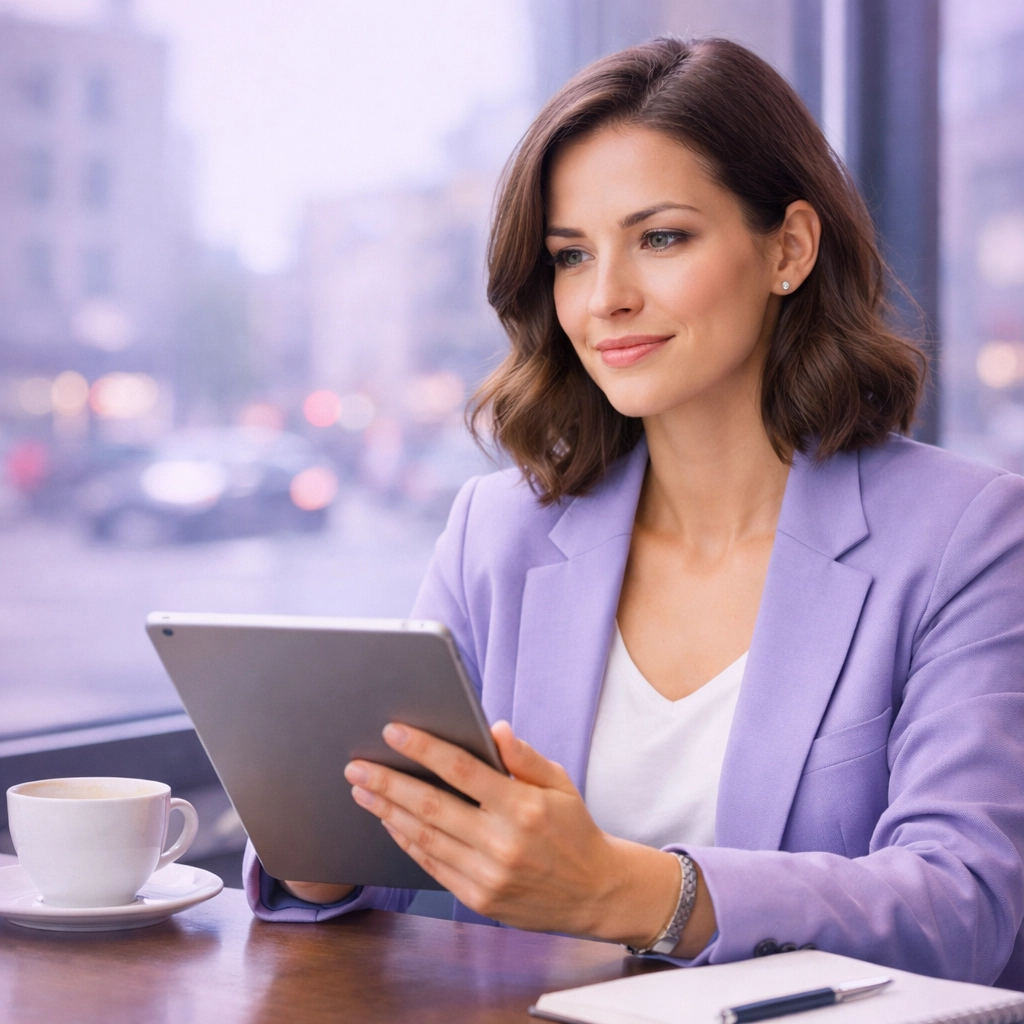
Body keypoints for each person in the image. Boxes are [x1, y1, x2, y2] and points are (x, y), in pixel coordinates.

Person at [244, 36, 1024, 988]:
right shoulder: (498, 530)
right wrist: (326, 857)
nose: (605, 298)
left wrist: (628, 891)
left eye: (660, 238)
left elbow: (968, 907)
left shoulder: (966, 535)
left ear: (788, 248)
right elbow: (416, 864)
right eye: (572, 256)